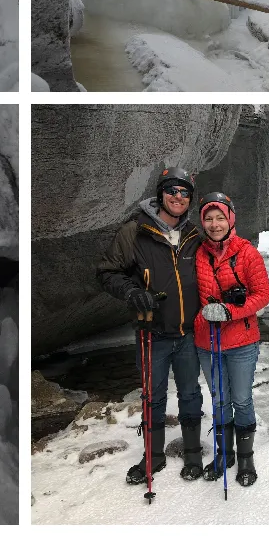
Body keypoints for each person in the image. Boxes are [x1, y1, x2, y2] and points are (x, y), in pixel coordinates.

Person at [98, 167, 207, 483]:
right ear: (161, 194)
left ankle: (192, 455)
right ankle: (153, 457)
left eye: (184, 192)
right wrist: (132, 292)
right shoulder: (134, 231)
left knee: (190, 395)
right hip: (151, 334)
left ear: (190, 199)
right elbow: (107, 273)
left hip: (187, 335)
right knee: (152, 397)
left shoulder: (194, 236)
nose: (178, 197)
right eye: (172, 190)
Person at [193, 192, 269, 487]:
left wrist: (229, 311)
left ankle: (246, 457)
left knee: (241, 399)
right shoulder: (198, 253)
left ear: (231, 219)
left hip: (241, 342)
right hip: (207, 342)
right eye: (209, 219)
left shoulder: (247, 253)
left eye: (220, 217)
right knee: (220, 399)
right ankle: (224, 454)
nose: (215, 224)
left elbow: (262, 294)